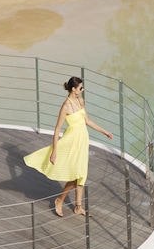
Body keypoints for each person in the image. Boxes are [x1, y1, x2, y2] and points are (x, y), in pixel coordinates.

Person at [23, 77, 113, 216]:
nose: (82, 90)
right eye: (81, 88)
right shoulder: (65, 106)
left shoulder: (80, 101)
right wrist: (54, 151)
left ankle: (78, 207)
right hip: (71, 142)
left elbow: (87, 121)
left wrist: (104, 131)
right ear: (73, 89)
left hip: (82, 142)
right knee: (76, 174)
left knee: (81, 174)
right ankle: (60, 200)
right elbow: (57, 129)